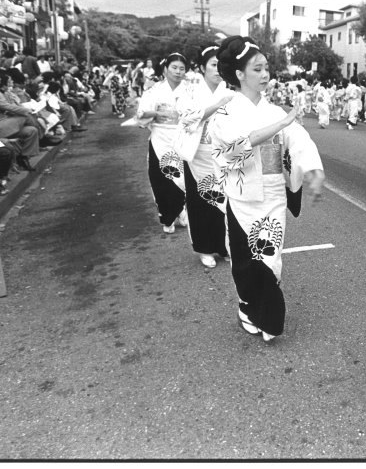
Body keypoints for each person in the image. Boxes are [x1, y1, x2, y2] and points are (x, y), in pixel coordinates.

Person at [209, 36, 325, 343]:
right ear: (239, 74)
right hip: (242, 196)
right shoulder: (224, 114)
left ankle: (268, 317)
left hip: (272, 194)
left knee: (269, 257)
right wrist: (281, 124)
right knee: (245, 259)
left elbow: (299, 140)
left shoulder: (273, 111)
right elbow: (233, 149)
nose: (265, 74)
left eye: (266, 68)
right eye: (257, 69)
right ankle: (248, 307)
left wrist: (312, 168)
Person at [175, 46, 235, 267]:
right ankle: (204, 248)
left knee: (224, 203)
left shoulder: (230, 91)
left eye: (221, 64)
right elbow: (187, 118)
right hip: (197, 155)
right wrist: (216, 106)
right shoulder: (189, 91)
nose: (218, 69)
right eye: (212, 64)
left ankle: (224, 245)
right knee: (200, 202)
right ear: (202, 67)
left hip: (222, 156)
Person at [136, 53, 190, 233]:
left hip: (182, 137)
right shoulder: (155, 90)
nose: (178, 72)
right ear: (166, 69)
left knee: (183, 179)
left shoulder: (189, 90)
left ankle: (180, 211)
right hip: (160, 138)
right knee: (161, 178)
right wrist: (156, 114)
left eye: (182, 68)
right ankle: (167, 218)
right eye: (174, 67)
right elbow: (142, 114)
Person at [0, 61, 40, 171]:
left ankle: (24, 157)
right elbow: (7, 107)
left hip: (2, 123)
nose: (0, 81)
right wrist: (27, 110)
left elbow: (7, 108)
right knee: (27, 116)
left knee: (32, 130)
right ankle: (44, 138)